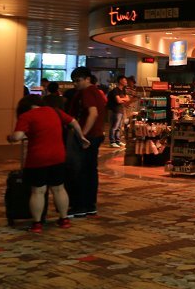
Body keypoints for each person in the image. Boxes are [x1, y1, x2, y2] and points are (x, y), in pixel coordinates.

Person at [8, 95, 90, 233]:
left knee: (38, 191)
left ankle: (37, 224)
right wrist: (81, 136)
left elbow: (17, 136)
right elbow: (73, 121)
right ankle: (64, 219)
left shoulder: (26, 116)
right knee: (59, 188)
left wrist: (10, 138)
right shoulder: (55, 111)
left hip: (37, 158)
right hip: (58, 156)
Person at [64, 66, 108, 217]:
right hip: (96, 136)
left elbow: (93, 113)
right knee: (90, 172)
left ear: (87, 79)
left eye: (78, 80)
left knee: (80, 172)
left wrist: (82, 135)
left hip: (88, 138)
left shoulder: (87, 92)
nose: (75, 84)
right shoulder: (97, 92)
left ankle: (80, 206)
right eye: (73, 81)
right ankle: (90, 205)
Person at [107, 76, 131, 147]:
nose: (126, 82)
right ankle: (112, 142)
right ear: (120, 81)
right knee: (114, 126)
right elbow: (118, 100)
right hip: (115, 110)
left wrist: (121, 99)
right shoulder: (115, 90)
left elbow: (128, 99)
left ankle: (117, 141)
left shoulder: (123, 90)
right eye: (125, 80)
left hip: (121, 110)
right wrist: (123, 99)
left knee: (119, 127)